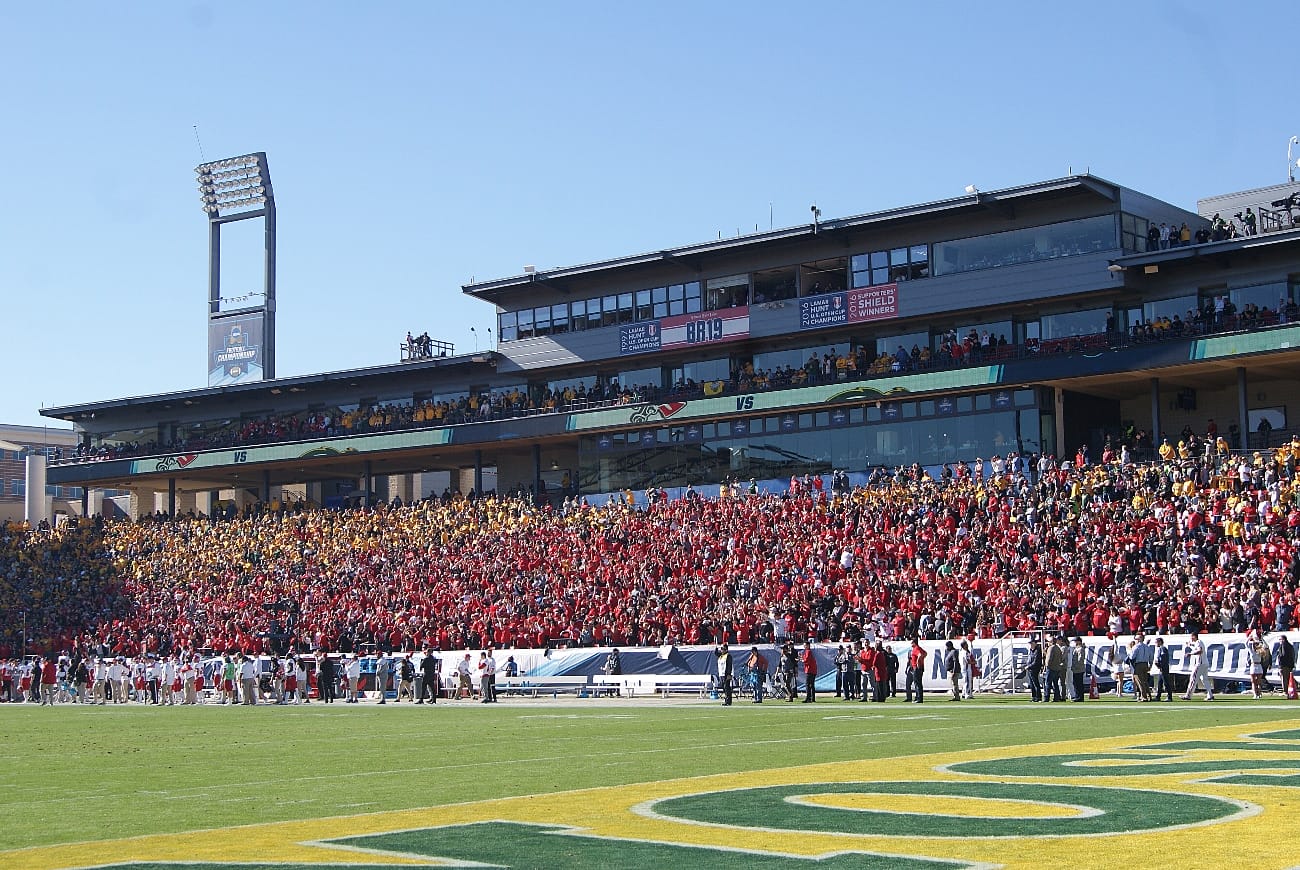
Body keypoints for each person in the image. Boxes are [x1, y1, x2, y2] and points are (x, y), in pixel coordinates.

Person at [1182, 631, 1213, 701]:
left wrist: (1190, 654)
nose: (1191, 638)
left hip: (1200, 664)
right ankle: (1210, 694)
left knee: (1193, 679)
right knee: (1204, 680)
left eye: (1191, 637)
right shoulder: (1198, 643)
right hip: (1204, 663)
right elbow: (1196, 647)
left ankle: (1188, 695)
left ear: (1194, 636)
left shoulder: (1198, 642)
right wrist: (1190, 645)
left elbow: (1200, 651)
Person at [905, 638, 927, 703]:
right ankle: (918, 697)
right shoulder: (919, 648)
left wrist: (918, 662)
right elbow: (925, 653)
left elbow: (920, 655)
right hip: (919, 668)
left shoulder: (916, 648)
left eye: (912, 642)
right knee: (918, 683)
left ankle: (919, 698)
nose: (911, 644)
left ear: (914, 643)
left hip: (917, 668)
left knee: (917, 683)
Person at [1152, 637, 1174, 702]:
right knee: (1160, 683)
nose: (1155, 644)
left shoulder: (1162, 649)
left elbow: (1163, 658)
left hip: (1163, 668)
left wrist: (1159, 664)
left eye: (1156, 642)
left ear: (1160, 642)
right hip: (1162, 668)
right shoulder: (1160, 649)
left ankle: (1169, 697)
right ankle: (1158, 696)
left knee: (1166, 682)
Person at [1026, 635, 1044, 702]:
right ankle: (1034, 696)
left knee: (1035, 683)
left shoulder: (1037, 651)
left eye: (1031, 643)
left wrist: (1029, 666)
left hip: (1034, 669)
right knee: (1031, 684)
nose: (1030, 645)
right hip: (1030, 669)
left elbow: (1036, 661)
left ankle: (1038, 697)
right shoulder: (1031, 651)